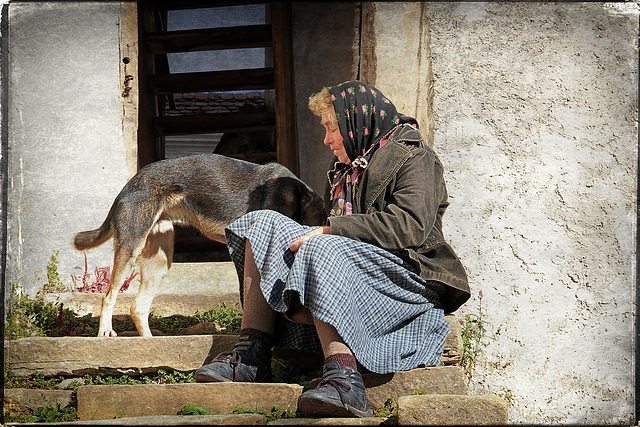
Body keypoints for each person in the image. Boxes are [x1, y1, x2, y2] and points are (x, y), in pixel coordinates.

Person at [195, 80, 470, 418]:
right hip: (358, 272)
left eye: (331, 128)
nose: (326, 140)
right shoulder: (345, 171)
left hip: (407, 279)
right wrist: (322, 235)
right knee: (263, 222)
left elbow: (409, 226)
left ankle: (344, 379)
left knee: (322, 245)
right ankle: (251, 355)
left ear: (356, 122)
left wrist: (327, 231)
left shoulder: (415, 157)